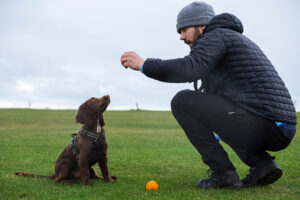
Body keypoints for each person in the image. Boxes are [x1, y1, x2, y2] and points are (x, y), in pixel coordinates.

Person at [120, 1, 297, 189]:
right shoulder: (228, 37)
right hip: (280, 125)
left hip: (265, 121)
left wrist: (145, 64)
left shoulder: (216, 36)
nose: (181, 37)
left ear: (202, 25)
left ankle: (224, 175)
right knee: (218, 112)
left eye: (183, 30)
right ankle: (263, 165)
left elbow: (190, 68)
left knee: (182, 101)